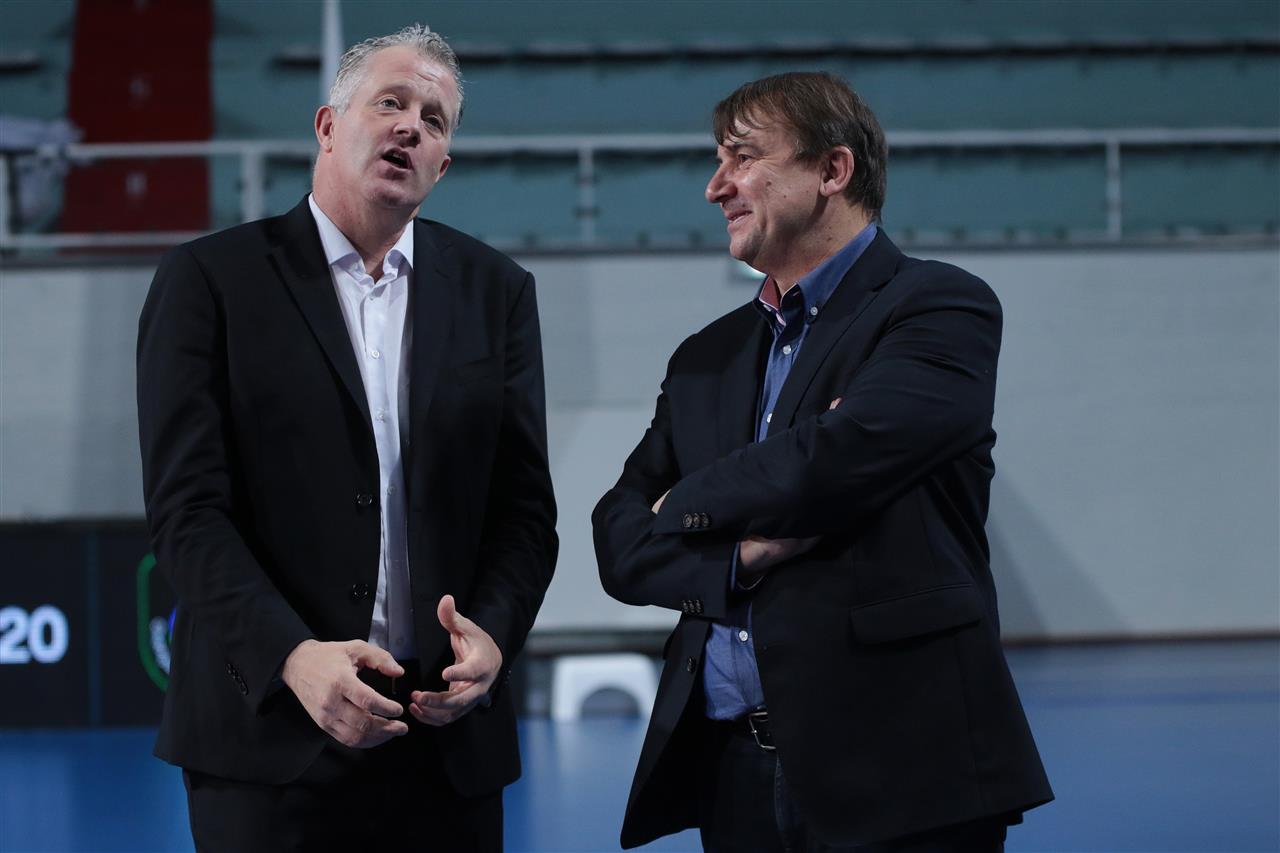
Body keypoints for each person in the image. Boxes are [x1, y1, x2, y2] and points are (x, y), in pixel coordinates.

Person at [593, 72, 1052, 852]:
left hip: (904, 771)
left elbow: (831, 460)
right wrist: (736, 559)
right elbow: (618, 536)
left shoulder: (939, 306)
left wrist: (685, 504)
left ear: (832, 170)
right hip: (732, 770)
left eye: (743, 157)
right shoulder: (706, 356)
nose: (715, 186)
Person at [137, 25, 557, 852]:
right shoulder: (208, 280)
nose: (410, 127)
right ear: (328, 126)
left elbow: (523, 512)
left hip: (446, 745)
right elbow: (187, 512)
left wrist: (494, 636)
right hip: (267, 739)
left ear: (444, 165)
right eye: (390, 103)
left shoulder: (498, 292)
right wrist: (293, 656)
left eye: (433, 120)